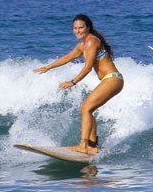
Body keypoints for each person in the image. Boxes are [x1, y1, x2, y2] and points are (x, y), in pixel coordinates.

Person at [34, 14, 123, 155]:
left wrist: (73, 82)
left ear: (88, 27)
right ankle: (92, 146)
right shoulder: (82, 45)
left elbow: (87, 67)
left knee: (85, 109)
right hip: (111, 80)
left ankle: (83, 145)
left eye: (81, 27)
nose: (78, 31)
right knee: (88, 109)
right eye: (75, 28)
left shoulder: (91, 41)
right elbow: (68, 57)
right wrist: (48, 67)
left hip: (112, 79)